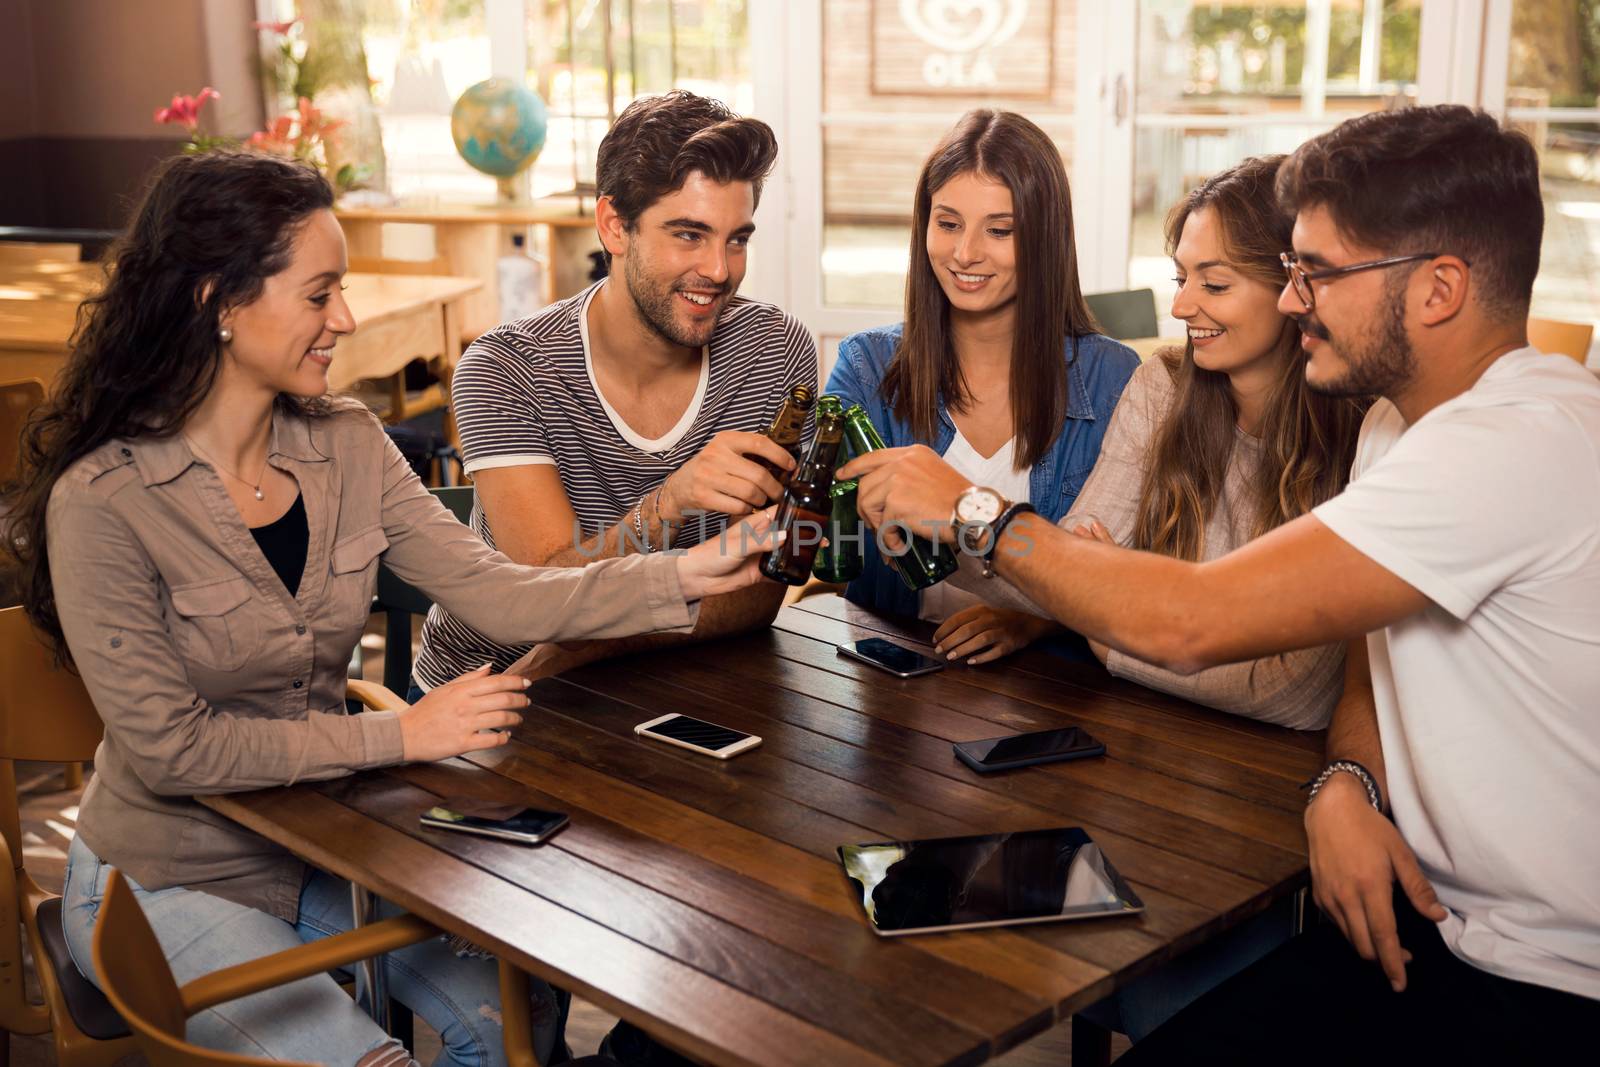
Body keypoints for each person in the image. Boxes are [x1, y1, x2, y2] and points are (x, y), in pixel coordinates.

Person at [839, 104, 1600, 1062]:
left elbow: (1194, 621)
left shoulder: (1512, 444)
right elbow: (1373, 655)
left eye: (1317, 273)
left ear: (1439, 288)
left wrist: (974, 512)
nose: (1291, 300)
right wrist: (1345, 783)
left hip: (1551, 979)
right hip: (1434, 923)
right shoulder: (1399, 429)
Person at [2, 150, 772, 1067]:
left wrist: (682, 575)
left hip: (323, 846)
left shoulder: (349, 445)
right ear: (218, 301)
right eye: (320, 295)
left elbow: (501, 588)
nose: (348, 321)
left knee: (511, 1003)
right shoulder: (104, 498)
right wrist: (403, 736)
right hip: (166, 877)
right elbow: (176, 751)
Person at [412, 90, 817, 696]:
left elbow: (763, 590)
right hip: (492, 693)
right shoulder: (506, 368)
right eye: (689, 235)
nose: (719, 269)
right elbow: (542, 603)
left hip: (676, 681)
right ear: (613, 226)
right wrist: (669, 504)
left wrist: (587, 649)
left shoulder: (773, 350)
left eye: (737, 239)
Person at [1051, 154, 1364, 730]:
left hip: (1275, 771)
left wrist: (1108, 625)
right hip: (1137, 732)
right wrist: (1100, 598)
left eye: (1214, 284)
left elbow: (1294, 691)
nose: (1180, 306)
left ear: (1297, 288)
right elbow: (1073, 561)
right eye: (1182, 278)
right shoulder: (1163, 385)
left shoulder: (1361, 430)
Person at [823, 108, 1138, 662]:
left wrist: (1032, 619)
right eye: (947, 224)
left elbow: (1124, 575)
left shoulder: (1115, 379)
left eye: (1000, 230)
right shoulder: (867, 364)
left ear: (1045, 239)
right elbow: (826, 541)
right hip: (893, 686)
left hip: (1052, 694)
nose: (966, 253)